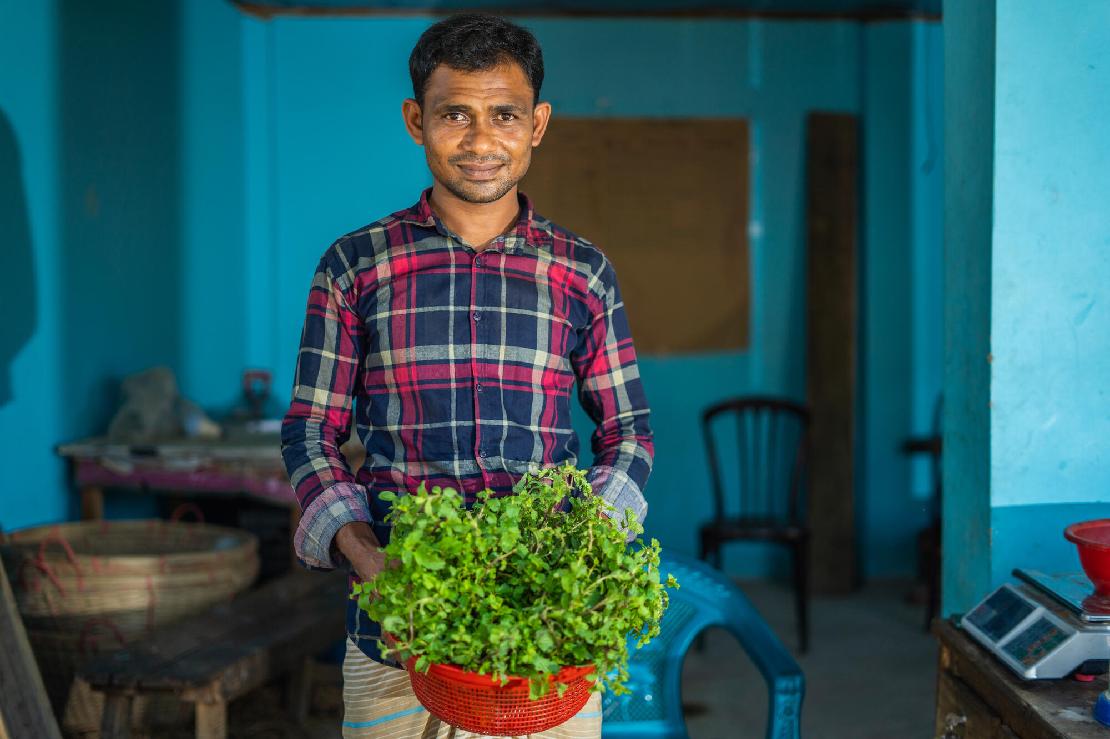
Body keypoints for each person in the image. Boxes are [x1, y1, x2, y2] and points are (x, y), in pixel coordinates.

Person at [281, 13, 653, 738]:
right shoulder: (355, 266)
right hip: (396, 629)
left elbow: (629, 430)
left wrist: (583, 548)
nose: (481, 142)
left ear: (537, 124)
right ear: (415, 120)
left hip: (545, 640)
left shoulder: (581, 272)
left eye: (504, 115)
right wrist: (364, 553)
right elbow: (310, 430)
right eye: (455, 114)